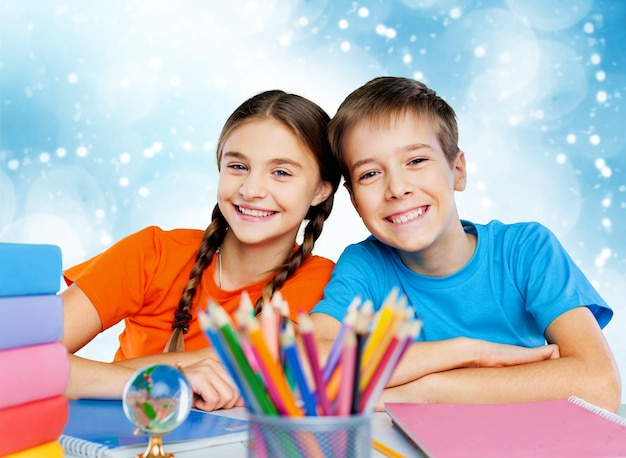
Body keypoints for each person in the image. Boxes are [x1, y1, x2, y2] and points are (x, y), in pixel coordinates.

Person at [310, 76, 622, 412]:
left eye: (416, 161)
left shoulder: (525, 250)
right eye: (370, 174)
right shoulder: (365, 264)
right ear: (354, 200)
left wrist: (424, 391)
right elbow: (310, 365)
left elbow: (599, 384)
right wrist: (467, 352)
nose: (397, 188)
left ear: (457, 170)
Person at [61, 89, 342, 411]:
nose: (251, 190)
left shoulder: (324, 286)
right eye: (237, 166)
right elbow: (15, 359)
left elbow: (251, 364)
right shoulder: (153, 253)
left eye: (281, 172)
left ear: (321, 189)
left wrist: (83, 375)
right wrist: (172, 377)